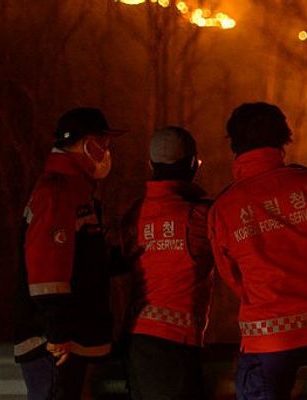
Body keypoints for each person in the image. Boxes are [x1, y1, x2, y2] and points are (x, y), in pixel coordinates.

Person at [208, 102, 307, 400]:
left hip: (268, 340)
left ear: (234, 144)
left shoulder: (223, 209)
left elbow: (231, 276)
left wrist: (265, 303)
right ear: (283, 139)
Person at [14, 107, 123, 399]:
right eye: (104, 143)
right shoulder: (58, 192)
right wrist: (57, 332)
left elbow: (78, 260)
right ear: (88, 143)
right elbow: (47, 267)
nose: (107, 151)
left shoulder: (74, 190)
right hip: (53, 343)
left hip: (64, 339)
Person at [119, 127, 214, 399]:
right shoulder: (200, 218)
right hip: (176, 344)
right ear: (194, 164)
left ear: (150, 165)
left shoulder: (133, 215)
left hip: (136, 340)